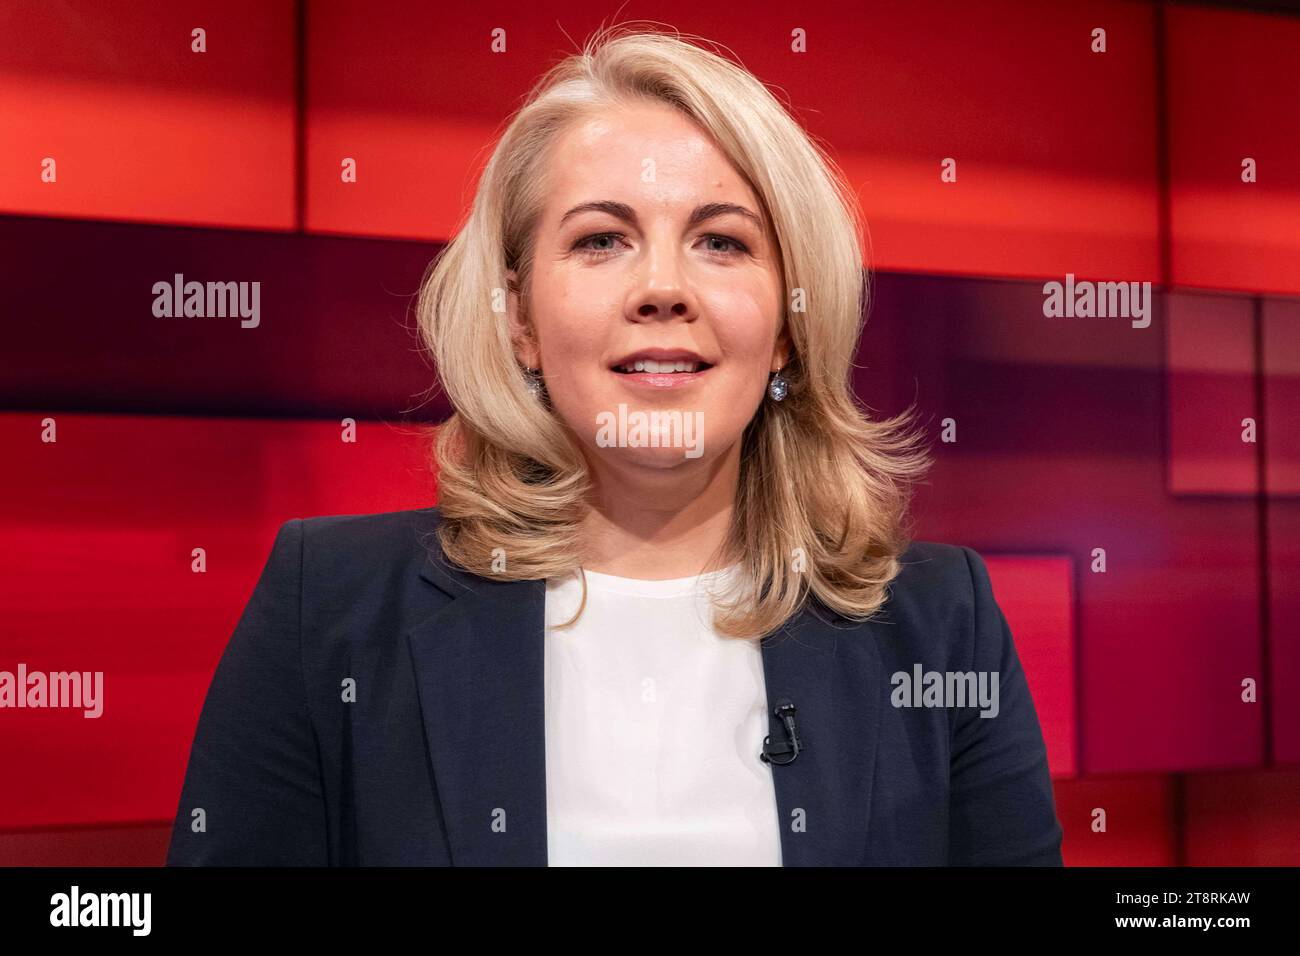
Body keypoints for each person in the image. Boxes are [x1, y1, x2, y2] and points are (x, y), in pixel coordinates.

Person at [166, 25, 1063, 867]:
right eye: (601, 240)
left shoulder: (942, 626)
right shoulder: (328, 610)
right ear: (518, 318)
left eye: (721, 241)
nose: (663, 288)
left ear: (790, 324)